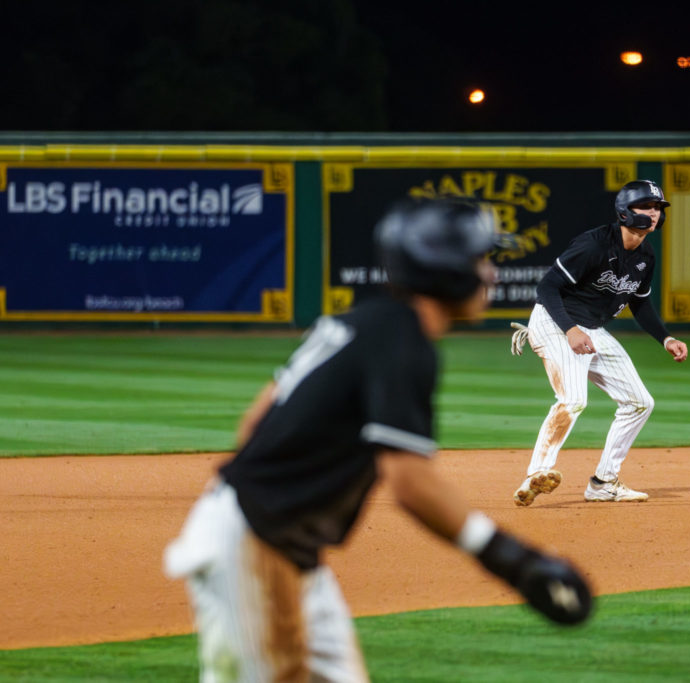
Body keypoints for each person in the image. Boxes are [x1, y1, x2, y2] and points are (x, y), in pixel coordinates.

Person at [164, 199, 591, 682]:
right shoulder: (403, 342)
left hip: (274, 539)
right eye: (480, 260)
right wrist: (515, 561)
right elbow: (409, 482)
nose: (490, 274)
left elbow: (255, 422)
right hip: (257, 543)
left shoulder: (359, 322)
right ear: (445, 269)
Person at [510, 179, 688, 507]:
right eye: (646, 207)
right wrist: (570, 330)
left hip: (590, 328)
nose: (653, 214)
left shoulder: (645, 255)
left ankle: (604, 483)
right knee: (573, 399)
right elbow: (547, 288)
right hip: (554, 322)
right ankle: (537, 473)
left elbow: (640, 303)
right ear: (625, 211)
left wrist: (666, 338)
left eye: (658, 208)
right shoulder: (593, 245)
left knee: (639, 402)